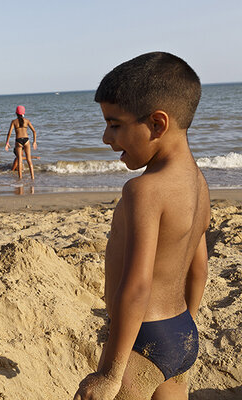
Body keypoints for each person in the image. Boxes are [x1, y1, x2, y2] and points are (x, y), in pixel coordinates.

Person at [74, 52, 210, 400]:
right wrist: (184, 329)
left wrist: (109, 373)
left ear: (157, 124)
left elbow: (136, 287)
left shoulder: (143, 191)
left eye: (115, 124)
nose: (106, 137)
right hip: (181, 331)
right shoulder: (199, 183)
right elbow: (199, 270)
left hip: (144, 339)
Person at [4, 105, 37, 179]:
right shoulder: (27, 121)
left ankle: (20, 178)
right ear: (23, 113)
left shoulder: (14, 122)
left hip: (18, 141)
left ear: (16, 113)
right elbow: (34, 131)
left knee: (19, 160)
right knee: (29, 160)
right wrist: (34, 142)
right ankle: (33, 177)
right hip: (26, 140)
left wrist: (7, 143)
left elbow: (9, 133)